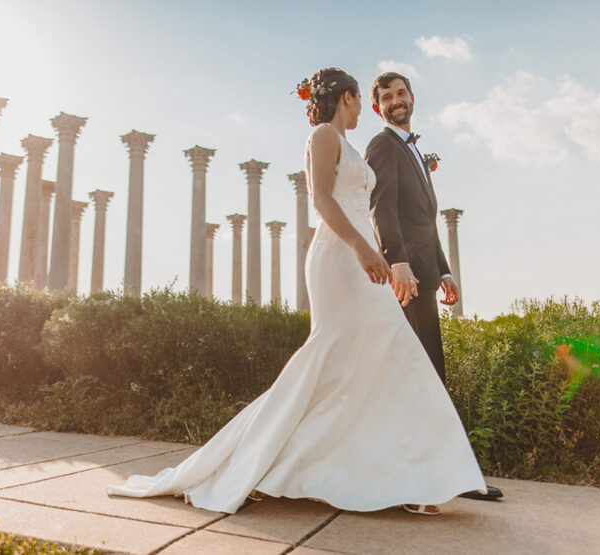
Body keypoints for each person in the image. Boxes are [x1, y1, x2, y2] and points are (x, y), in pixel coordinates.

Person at [107, 67, 486, 515]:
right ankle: (293, 466)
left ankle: (404, 476)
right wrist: (365, 248)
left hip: (361, 258)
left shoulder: (347, 144)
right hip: (342, 258)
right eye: (360, 99)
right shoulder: (324, 135)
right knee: (347, 353)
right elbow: (321, 199)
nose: (364, 108)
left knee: (373, 359)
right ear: (346, 97)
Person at [365, 70, 503, 502]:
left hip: (425, 275)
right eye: (387, 97)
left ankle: (444, 475)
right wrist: (399, 262)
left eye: (401, 93)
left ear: (412, 97)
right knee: (422, 377)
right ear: (377, 108)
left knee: (429, 376)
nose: (396, 100)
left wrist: (442, 269)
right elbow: (382, 208)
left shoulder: (414, 150)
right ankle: (433, 478)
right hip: (406, 279)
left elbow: (423, 219)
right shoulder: (383, 145)